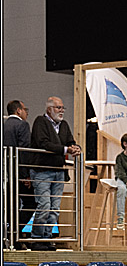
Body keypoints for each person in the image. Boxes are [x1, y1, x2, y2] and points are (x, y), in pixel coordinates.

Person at [29, 96, 81, 250]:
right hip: (42, 171)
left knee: (55, 208)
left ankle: (47, 238)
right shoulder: (40, 122)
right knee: (44, 205)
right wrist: (66, 149)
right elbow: (43, 143)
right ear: (49, 109)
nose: (61, 111)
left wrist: (75, 147)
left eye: (62, 108)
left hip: (58, 171)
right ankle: (37, 238)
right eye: (58, 108)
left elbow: (70, 141)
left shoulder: (64, 125)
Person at [3, 100, 33, 249]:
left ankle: (7, 235)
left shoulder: (4, 125)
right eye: (25, 109)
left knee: (8, 206)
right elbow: (24, 151)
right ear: (18, 111)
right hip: (17, 173)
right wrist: (25, 175)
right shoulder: (22, 125)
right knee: (30, 203)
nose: (27, 112)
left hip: (5, 173)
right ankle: (15, 235)